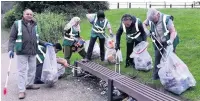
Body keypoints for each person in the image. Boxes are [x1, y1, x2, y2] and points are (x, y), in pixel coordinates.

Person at [8, 9, 52, 99]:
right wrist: (10, 49)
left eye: (31, 14)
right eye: (27, 14)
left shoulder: (34, 25)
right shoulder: (17, 24)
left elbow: (37, 39)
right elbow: (12, 38)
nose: (29, 15)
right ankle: (21, 90)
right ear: (23, 15)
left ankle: (29, 84)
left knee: (32, 70)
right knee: (22, 71)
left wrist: (45, 43)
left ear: (32, 15)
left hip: (33, 51)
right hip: (22, 52)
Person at [143, 8, 179, 80]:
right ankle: (156, 76)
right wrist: (146, 31)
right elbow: (143, 23)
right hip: (158, 41)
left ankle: (173, 75)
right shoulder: (150, 18)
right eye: (151, 20)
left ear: (158, 14)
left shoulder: (167, 19)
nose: (152, 21)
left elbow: (173, 31)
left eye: (154, 19)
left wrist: (171, 41)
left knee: (170, 57)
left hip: (169, 40)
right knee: (157, 57)